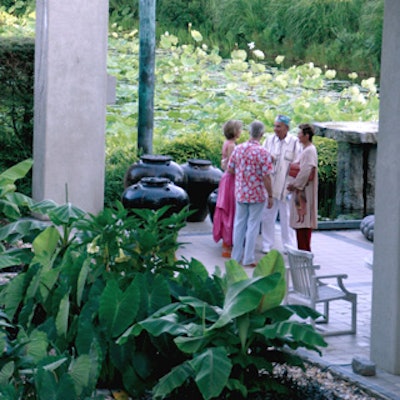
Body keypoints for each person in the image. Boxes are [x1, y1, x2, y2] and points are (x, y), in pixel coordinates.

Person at [228, 120, 273, 267]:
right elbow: (267, 176)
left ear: (249, 132)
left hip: (241, 192)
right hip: (257, 194)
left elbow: (230, 169)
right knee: (253, 226)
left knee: (239, 224)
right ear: (261, 134)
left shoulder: (239, 149)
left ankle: (235, 257)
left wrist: (243, 177)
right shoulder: (263, 152)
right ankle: (248, 258)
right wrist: (270, 195)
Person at [261, 115, 301, 253]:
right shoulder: (269, 140)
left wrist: (294, 185)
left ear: (286, 128)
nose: (275, 129)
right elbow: (261, 158)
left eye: (278, 126)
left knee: (287, 217)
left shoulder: (295, 142)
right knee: (267, 216)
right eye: (274, 126)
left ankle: (288, 245)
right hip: (270, 187)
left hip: (286, 188)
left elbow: (298, 164)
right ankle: (267, 244)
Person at [213, 120, 242, 258]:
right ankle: (228, 243)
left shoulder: (226, 143)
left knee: (226, 208)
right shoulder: (232, 146)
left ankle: (227, 241)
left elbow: (224, 163)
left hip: (226, 178)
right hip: (231, 179)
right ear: (236, 132)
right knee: (231, 209)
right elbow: (232, 166)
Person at [287, 123, 318, 251]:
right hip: (301, 190)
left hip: (303, 191)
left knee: (303, 221)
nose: (298, 136)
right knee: (301, 221)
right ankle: (303, 251)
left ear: (307, 136)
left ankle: (305, 252)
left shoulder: (309, 150)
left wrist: (295, 184)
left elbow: (306, 170)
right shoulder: (306, 150)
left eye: (300, 133)